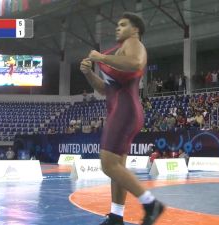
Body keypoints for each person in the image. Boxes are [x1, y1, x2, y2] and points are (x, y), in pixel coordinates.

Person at [80, 12, 164, 225]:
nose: (118, 28)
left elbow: (136, 63)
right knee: (117, 168)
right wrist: (89, 74)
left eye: (123, 25)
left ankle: (151, 203)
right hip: (120, 111)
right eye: (117, 25)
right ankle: (116, 216)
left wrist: (101, 58)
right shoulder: (119, 51)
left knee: (108, 165)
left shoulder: (134, 43)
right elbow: (106, 90)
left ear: (135, 29)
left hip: (125, 112)